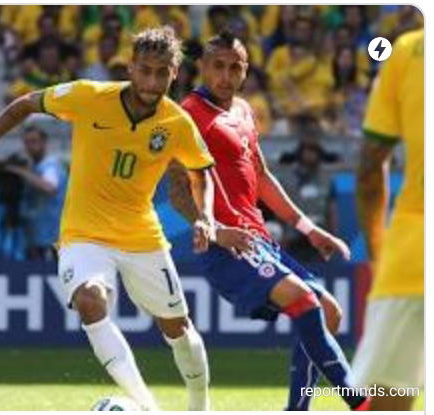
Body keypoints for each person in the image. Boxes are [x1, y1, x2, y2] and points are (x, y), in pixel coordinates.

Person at [0, 26, 217, 411]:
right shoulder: (89, 96)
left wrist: (205, 217)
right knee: (90, 301)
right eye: (144, 70)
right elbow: (24, 105)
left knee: (179, 332)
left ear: (175, 74)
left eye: (161, 73)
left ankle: (200, 407)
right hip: (83, 234)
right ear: (130, 67)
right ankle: (148, 408)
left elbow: (200, 172)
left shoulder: (177, 123)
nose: (151, 82)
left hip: (142, 236)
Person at [169, 31, 370, 411]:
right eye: (218, 66)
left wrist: (309, 228)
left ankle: (297, 409)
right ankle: (359, 401)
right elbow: (179, 187)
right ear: (202, 67)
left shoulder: (244, 111)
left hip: (259, 240)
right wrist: (214, 230)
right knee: (305, 300)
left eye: (235, 68)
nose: (226, 75)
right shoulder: (189, 114)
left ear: (245, 71)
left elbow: (261, 177)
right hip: (227, 246)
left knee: (329, 312)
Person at [352, 29, 424, 411]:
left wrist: (377, 250)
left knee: (388, 400)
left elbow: (369, 168)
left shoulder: (409, 51)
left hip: (416, 254)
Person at [6, 125, 67, 260]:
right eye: (26, 142)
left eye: (34, 141)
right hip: (35, 234)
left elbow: (50, 188)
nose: (29, 146)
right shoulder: (33, 166)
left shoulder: (50, 165)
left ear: (44, 142)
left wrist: (22, 172)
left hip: (52, 235)